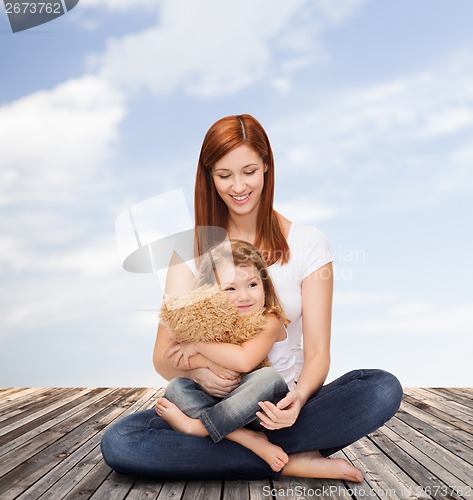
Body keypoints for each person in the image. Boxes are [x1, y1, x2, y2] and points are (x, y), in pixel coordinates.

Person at [101, 114, 403, 482]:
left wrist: (300, 400)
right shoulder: (188, 251)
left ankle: (244, 445)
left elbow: (319, 353)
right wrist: (198, 372)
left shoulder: (308, 243)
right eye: (224, 175)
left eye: (248, 172)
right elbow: (163, 357)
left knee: (380, 388)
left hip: (282, 405)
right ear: (209, 177)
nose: (238, 186)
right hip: (211, 404)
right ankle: (287, 458)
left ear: (266, 168)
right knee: (121, 442)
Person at [156, 239, 297, 472]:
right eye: (230, 289)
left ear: (265, 285)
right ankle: (243, 438)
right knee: (176, 388)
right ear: (210, 295)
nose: (244, 296)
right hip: (230, 413)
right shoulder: (214, 325)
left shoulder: (269, 321)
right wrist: (201, 361)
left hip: (269, 412)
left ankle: (199, 428)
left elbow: (244, 361)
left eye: (252, 285)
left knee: (268, 377)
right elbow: (172, 357)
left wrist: (198, 346)